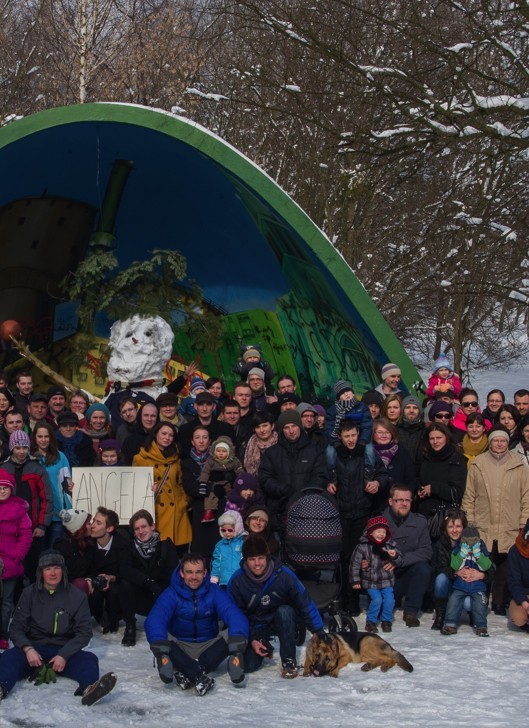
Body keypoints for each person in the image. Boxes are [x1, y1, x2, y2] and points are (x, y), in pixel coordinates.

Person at [0, 550, 116, 706]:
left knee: (89, 660)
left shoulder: (77, 596)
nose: (53, 573)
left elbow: (84, 632)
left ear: (63, 571)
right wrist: (28, 649)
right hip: (34, 648)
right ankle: (1, 687)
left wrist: (64, 655)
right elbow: (16, 628)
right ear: (41, 572)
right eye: (47, 569)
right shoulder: (29, 593)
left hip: (64, 649)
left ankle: (90, 689)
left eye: (57, 568)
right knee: (8, 658)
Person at [145, 552, 249, 695]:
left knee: (232, 631)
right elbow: (155, 619)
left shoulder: (214, 591)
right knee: (160, 634)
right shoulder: (171, 593)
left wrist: (237, 646)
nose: (194, 577)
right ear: (182, 573)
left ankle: (186, 672)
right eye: (189, 572)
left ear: (205, 573)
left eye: (198, 572)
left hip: (208, 647)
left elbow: (233, 614)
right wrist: (160, 647)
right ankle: (198, 675)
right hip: (180, 646)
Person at [228, 534, 326, 679]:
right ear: (245, 560)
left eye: (260, 558)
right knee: (248, 666)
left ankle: (288, 660)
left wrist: (318, 630)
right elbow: (235, 616)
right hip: (255, 626)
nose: (257, 564)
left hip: (281, 620)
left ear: (267, 557)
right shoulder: (237, 581)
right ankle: (263, 645)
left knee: (285, 611)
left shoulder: (284, 575)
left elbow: (304, 601)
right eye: (252, 559)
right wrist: (252, 638)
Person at [462, 427, 529, 615]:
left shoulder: (519, 465)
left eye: (503, 441)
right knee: (483, 561)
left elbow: (527, 496)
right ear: (490, 442)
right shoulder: (478, 464)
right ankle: (479, 600)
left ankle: (498, 601)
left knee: (505, 566)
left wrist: (524, 521)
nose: (499, 444)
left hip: (510, 523)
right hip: (484, 522)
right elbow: (469, 496)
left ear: (508, 443)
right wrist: (470, 520)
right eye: (495, 440)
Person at [327, 419, 389, 615]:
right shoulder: (334, 456)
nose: (351, 440)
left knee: (361, 558)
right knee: (344, 559)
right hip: (341, 514)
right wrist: (327, 486)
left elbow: (384, 475)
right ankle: (346, 600)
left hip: (362, 512)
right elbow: (322, 476)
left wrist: (377, 483)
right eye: (347, 436)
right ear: (340, 437)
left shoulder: (367, 454)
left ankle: (362, 599)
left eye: (353, 435)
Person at [118, 509, 180, 647]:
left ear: (152, 526)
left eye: (144, 526)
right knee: (125, 583)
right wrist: (146, 581)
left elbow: (173, 571)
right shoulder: (129, 547)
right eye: (137, 529)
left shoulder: (166, 546)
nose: (141, 531)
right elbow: (125, 570)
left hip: (161, 593)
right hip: (140, 593)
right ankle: (130, 626)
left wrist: (154, 583)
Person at [259, 410, 329, 530]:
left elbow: (321, 477)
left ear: (299, 426)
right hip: (279, 512)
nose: (291, 431)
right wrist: (284, 489)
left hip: (308, 511)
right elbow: (265, 479)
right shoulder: (271, 453)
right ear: (282, 430)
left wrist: (303, 494)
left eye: (294, 426)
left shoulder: (315, 451)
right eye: (286, 427)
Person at [2, 430, 53, 582]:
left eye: (25, 448)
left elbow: (47, 498)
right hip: (8, 529)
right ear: (12, 448)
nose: (21, 451)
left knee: (33, 567)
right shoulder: (3, 469)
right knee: (11, 568)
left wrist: (42, 525)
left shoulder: (37, 468)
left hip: (33, 528)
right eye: (18, 448)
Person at [132, 422, 191, 553]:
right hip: (155, 511)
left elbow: (180, 483)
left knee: (178, 555)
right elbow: (134, 486)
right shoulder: (141, 458)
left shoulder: (175, 458)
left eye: (170, 435)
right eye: (164, 433)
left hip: (177, 512)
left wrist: (185, 501)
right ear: (156, 434)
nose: (167, 437)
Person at [381, 485, 432, 627]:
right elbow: (364, 546)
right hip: (384, 574)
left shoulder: (420, 522)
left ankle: (411, 611)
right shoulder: (378, 522)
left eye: (407, 500)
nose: (404, 504)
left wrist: (399, 560)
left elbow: (426, 551)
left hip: (407, 573)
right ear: (391, 502)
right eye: (399, 500)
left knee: (423, 568)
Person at [349, 516, 403, 633]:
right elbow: (355, 564)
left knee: (389, 600)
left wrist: (395, 556)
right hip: (371, 581)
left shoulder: (390, 546)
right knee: (377, 600)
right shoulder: (363, 547)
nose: (381, 534)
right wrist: (355, 581)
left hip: (387, 580)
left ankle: (386, 620)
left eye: (384, 532)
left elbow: (400, 562)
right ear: (371, 532)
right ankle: (371, 621)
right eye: (379, 531)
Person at [0, 469, 32, 650]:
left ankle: (3, 634)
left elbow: (26, 534)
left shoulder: (18, 509)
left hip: (10, 562)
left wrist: (17, 555)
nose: (2, 490)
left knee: (6, 601)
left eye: (6, 487)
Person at [441, 524, 492, 637]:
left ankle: (481, 626)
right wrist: (461, 555)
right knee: (453, 601)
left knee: (480, 604)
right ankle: (450, 623)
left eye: (473, 541)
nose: (470, 544)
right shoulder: (457, 550)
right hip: (460, 585)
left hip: (478, 586)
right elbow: (454, 565)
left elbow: (487, 566)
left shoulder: (482, 550)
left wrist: (479, 557)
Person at [30, 421, 73, 548]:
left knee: (55, 551)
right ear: (35, 438)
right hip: (37, 514)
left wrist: (68, 510)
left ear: (51, 438)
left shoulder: (60, 456)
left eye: (46, 436)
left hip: (57, 513)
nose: (43, 440)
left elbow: (67, 485)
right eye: (40, 436)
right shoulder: (29, 457)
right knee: (39, 554)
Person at [87, 507, 129, 635]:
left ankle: (114, 620)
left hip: (116, 584)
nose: (92, 526)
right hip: (95, 583)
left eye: (98, 523)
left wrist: (111, 578)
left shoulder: (123, 544)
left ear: (109, 529)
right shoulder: (88, 544)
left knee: (115, 590)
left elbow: (126, 571)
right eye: (93, 521)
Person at [416, 423, 467, 524]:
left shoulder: (456, 459)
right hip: (424, 515)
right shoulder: (425, 458)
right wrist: (419, 490)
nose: (435, 442)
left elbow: (457, 492)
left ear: (446, 437)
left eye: (439, 437)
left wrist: (433, 488)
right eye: (432, 438)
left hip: (446, 518)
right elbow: (418, 479)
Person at [431, 508, 468, 630]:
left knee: (469, 604)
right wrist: (456, 573)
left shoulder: (473, 543)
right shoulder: (440, 544)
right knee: (440, 579)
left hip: (467, 585)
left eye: (458, 526)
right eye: (451, 527)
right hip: (449, 583)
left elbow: (488, 568)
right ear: (445, 529)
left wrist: (478, 574)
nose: (455, 530)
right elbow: (439, 568)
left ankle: (475, 614)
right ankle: (440, 614)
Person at [198, 436, 243, 523]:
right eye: (218, 451)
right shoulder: (211, 460)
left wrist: (240, 479)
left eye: (224, 451)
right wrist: (203, 483)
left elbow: (239, 469)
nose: (221, 453)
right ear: (215, 451)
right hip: (214, 483)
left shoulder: (233, 460)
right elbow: (205, 472)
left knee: (231, 495)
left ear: (229, 452)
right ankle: (208, 512)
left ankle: (232, 511)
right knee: (210, 496)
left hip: (227, 483)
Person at [54, 508, 95, 595]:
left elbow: (93, 569)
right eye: (88, 523)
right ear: (80, 528)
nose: (91, 526)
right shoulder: (62, 546)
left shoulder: (89, 543)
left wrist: (89, 580)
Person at [372, 418, 416, 493]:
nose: (384, 435)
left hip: (398, 500)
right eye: (380, 432)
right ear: (373, 434)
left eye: (388, 432)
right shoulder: (368, 453)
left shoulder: (402, 453)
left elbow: (411, 480)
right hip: (374, 500)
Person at [325, 379, 372, 446]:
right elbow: (329, 429)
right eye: (342, 393)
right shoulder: (331, 411)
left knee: (370, 450)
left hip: (360, 439)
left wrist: (362, 441)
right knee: (330, 452)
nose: (346, 394)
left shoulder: (362, 407)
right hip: (340, 442)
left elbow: (367, 426)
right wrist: (337, 444)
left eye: (348, 390)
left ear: (353, 393)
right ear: (338, 398)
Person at [210, 511, 246, 587]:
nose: (226, 533)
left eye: (230, 530)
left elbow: (246, 561)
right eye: (223, 530)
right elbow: (216, 562)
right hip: (224, 581)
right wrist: (214, 578)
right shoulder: (220, 545)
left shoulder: (242, 543)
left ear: (237, 528)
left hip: (240, 580)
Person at [507, 517, 529, 630]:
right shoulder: (515, 551)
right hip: (522, 595)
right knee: (518, 618)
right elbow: (513, 581)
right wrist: (525, 603)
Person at [243, 411, 278, 475]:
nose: (262, 430)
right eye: (258, 427)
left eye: (264, 425)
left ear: (272, 426)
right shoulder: (246, 445)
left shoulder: (281, 444)